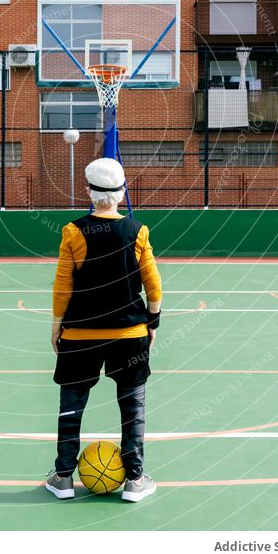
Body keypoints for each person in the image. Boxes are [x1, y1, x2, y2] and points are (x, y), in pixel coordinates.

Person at [45, 157, 162, 502]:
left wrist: (56, 325)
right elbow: (153, 286)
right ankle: (135, 480)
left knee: (71, 406)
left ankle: (64, 477)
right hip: (129, 335)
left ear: (88, 192)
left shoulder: (73, 231)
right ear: (123, 193)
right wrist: (152, 321)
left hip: (80, 335)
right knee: (132, 408)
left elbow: (62, 285)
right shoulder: (138, 231)